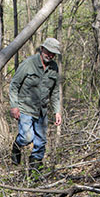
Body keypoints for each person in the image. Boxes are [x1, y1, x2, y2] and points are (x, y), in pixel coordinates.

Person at [9, 37, 63, 171]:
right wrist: (14, 106)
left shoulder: (54, 68)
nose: (50, 55)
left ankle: (35, 170)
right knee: (27, 137)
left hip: (42, 110)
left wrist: (57, 111)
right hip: (25, 108)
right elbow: (14, 85)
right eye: (48, 52)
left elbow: (55, 91)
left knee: (41, 142)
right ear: (42, 49)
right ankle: (16, 147)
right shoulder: (28, 64)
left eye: (53, 54)